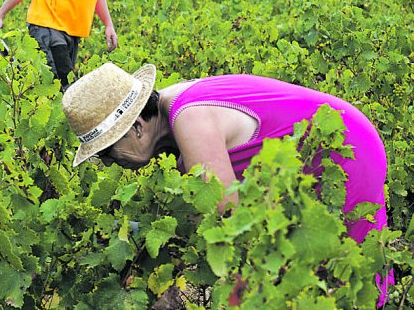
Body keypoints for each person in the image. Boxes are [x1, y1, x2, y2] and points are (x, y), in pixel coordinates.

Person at [63, 62, 388, 244]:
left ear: (136, 127)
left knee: (345, 272)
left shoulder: (189, 120)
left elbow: (230, 219)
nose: (108, 162)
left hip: (344, 151)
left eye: (106, 150)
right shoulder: (170, 111)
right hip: (335, 143)